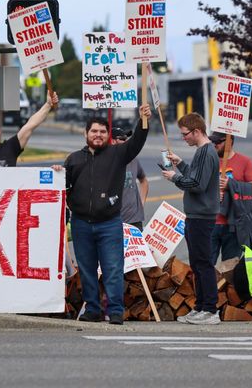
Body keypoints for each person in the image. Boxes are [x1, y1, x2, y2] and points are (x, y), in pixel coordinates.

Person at [63, 104, 151, 325]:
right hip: (81, 223)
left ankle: (115, 311)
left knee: (113, 268)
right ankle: (92, 309)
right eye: (94, 131)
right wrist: (57, 173)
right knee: (87, 269)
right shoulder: (73, 159)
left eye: (103, 132)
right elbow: (63, 188)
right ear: (86, 134)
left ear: (108, 135)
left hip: (110, 223)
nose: (98, 135)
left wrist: (143, 121)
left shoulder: (118, 154)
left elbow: (137, 141)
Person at [161, 113, 220, 325]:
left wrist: (174, 177)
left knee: (203, 262)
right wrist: (181, 165)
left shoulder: (205, 152)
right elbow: (196, 177)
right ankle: (201, 306)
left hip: (202, 216)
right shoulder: (202, 152)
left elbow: (196, 185)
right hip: (197, 215)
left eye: (185, 134)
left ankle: (210, 310)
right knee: (197, 262)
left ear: (196, 131)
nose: (184, 138)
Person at [209, 133, 252, 264]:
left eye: (218, 142)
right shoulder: (209, 161)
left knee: (230, 270)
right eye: (212, 142)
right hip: (210, 223)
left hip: (233, 225)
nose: (214, 145)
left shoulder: (244, 162)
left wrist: (231, 185)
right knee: (206, 267)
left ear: (229, 141)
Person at [111, 127, 149, 231]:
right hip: (113, 221)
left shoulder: (132, 158)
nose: (126, 141)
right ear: (112, 141)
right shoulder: (105, 161)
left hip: (134, 221)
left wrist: (141, 204)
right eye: (122, 138)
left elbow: (143, 180)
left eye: (126, 138)